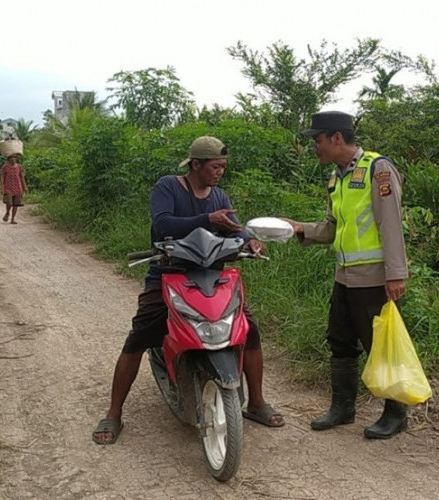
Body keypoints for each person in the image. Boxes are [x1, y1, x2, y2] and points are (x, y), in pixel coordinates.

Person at [93, 136, 285, 445]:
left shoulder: (219, 196)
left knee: (248, 329)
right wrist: (208, 219)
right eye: (215, 167)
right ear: (196, 165)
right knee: (141, 335)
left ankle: (257, 402)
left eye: (223, 167)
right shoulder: (168, 187)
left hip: (212, 277)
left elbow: (234, 226)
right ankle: (114, 412)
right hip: (168, 275)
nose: (220, 172)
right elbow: (163, 225)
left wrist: (249, 239)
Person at [283, 111, 409, 439]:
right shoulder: (336, 177)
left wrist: (396, 274)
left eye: (318, 140)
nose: (315, 147)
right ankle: (343, 408)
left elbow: (390, 224)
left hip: (374, 279)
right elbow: (331, 227)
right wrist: (300, 229)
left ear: (337, 138)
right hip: (345, 277)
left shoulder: (377, 169)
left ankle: (395, 414)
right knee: (339, 341)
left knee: (380, 346)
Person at [0, 154, 28, 224]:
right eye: (11, 158)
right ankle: (7, 212)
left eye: (14, 158)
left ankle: (12, 219)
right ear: (8, 159)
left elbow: (22, 177)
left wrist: (24, 187)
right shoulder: (5, 167)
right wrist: (2, 188)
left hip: (18, 187)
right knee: (9, 203)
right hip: (8, 187)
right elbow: (2, 178)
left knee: (16, 204)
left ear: (16, 159)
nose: (13, 159)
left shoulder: (19, 167)